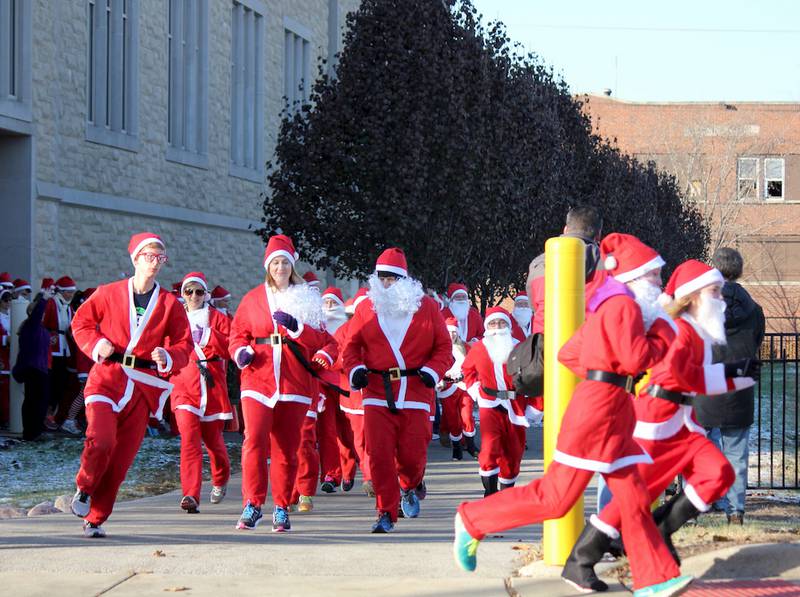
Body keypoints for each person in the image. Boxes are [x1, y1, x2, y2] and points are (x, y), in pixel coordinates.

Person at [455, 233, 693, 597]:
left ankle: (654, 579)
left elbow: (568, 353)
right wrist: (662, 331)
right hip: (599, 412)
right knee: (556, 498)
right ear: (632, 275)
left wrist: (602, 369)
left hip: (608, 408)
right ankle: (472, 519)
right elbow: (635, 360)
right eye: (654, 276)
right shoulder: (624, 307)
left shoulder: (612, 306)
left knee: (631, 496)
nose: (660, 283)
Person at [564, 259, 757, 590]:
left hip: (682, 425)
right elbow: (681, 376)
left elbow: (689, 380)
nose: (722, 300)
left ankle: (659, 530)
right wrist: (731, 374)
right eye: (715, 292)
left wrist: (733, 374)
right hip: (655, 423)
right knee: (634, 498)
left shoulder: (694, 331)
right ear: (694, 295)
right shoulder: (678, 330)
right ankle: (580, 560)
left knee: (718, 473)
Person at [69, 232, 193, 537]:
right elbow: (81, 322)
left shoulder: (169, 303)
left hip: (142, 387)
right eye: (148, 256)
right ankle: (84, 488)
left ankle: (95, 518)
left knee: (121, 460)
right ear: (135, 258)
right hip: (107, 378)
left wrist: (168, 355)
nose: (154, 263)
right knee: (101, 440)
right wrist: (97, 344)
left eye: (159, 258)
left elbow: (184, 343)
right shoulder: (108, 293)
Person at [229, 234, 333, 532]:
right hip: (257, 378)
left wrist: (297, 328)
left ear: (292, 265)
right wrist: (241, 352)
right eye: (275, 262)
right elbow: (237, 334)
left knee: (287, 449)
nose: (280, 267)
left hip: (293, 381)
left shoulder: (306, 298)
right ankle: (252, 503)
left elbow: (323, 340)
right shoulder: (252, 298)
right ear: (268, 266)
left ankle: (281, 506)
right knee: (254, 441)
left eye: (285, 262)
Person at [343, 248, 452, 533]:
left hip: (416, 391)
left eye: (393, 278)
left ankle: (410, 484)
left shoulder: (426, 306)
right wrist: (355, 370)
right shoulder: (366, 308)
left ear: (404, 280)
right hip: (377, 391)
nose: (387, 284)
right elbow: (351, 346)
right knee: (378, 455)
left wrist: (432, 370)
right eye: (382, 278)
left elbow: (444, 347)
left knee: (412, 457)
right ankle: (385, 512)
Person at [693, 248, 764, 525]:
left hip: (707, 381)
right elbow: (756, 341)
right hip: (740, 382)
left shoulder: (700, 307)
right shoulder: (754, 311)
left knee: (701, 447)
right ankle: (735, 510)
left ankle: (704, 499)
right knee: (737, 451)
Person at [170, 272, 233, 514]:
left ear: (206, 294)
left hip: (212, 384)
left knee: (214, 444)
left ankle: (220, 478)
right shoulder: (175, 319)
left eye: (198, 292)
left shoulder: (217, 317)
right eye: (189, 291)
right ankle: (190, 494)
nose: (194, 296)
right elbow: (165, 348)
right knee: (189, 441)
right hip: (185, 385)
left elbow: (231, 348)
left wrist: (208, 335)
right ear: (182, 295)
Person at [462, 307, 529, 494]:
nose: (497, 328)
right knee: (489, 448)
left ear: (508, 326)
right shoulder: (479, 348)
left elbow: (534, 378)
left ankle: (506, 493)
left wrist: (535, 406)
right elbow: (468, 370)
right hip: (489, 404)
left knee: (513, 451)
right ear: (487, 326)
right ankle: (490, 493)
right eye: (492, 323)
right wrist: (475, 391)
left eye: (501, 323)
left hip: (515, 405)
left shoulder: (519, 347)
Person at [12, 288, 52, 440]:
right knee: (33, 402)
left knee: (38, 401)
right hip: (32, 368)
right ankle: (31, 433)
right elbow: (37, 312)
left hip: (40, 369)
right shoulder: (31, 325)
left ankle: (34, 431)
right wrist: (44, 298)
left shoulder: (39, 328)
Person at [437, 316, 478, 460]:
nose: (451, 335)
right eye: (449, 332)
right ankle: (457, 448)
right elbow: (436, 366)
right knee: (453, 420)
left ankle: (471, 446)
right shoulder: (439, 347)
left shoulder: (465, 346)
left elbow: (473, 365)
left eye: (454, 332)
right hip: (447, 389)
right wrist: (440, 380)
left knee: (467, 417)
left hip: (464, 387)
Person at [43, 276, 77, 429]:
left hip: (64, 350)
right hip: (53, 348)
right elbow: (44, 324)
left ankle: (53, 413)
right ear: (61, 291)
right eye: (68, 292)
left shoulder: (69, 308)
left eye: (72, 292)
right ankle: (46, 414)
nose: (71, 295)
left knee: (60, 384)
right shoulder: (52, 303)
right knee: (51, 384)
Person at [0, 289, 12, 427]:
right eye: (5, 300)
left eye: (10, 300)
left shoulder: (12, 314)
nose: (8, 303)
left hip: (11, 355)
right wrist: (5, 339)